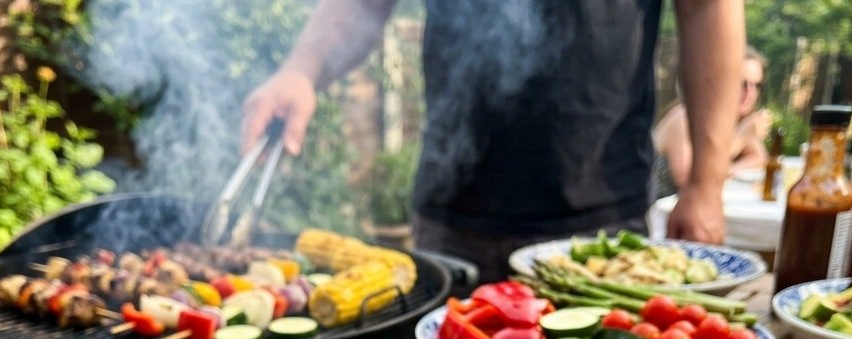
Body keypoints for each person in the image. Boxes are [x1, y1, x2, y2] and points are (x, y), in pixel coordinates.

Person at [241, 0, 745, 281]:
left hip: (601, 214)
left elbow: (706, 7)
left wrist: (707, 183)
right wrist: (300, 70)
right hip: (454, 214)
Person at [652, 47, 772, 199]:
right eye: (742, 83)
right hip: (651, 209)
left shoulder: (733, 121)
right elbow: (688, 179)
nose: (750, 93)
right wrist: (741, 138)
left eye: (756, 85)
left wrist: (729, 169)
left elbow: (759, 159)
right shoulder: (684, 116)